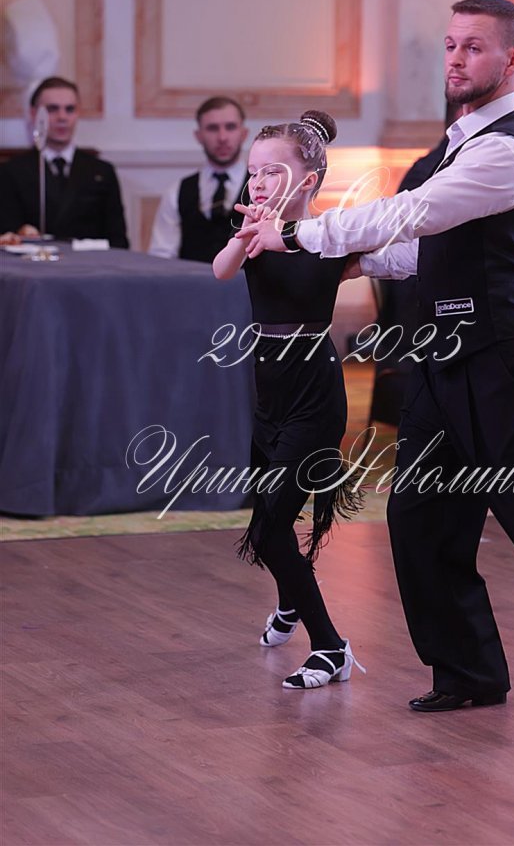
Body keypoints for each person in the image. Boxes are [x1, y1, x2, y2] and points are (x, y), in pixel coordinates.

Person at [235, 0, 514, 724]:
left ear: (512, 59)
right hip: (441, 361)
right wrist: (357, 262)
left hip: (503, 364)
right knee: (420, 519)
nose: (457, 60)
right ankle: (469, 670)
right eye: (450, 45)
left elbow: (412, 213)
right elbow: (421, 249)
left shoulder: (506, 151)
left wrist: (303, 236)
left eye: (474, 46)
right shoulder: (457, 143)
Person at [212, 110, 364, 691]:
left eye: (272, 172)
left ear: (308, 180)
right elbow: (221, 272)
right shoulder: (252, 231)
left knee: (270, 528)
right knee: (269, 516)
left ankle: (330, 647)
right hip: (267, 394)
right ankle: (290, 601)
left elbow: (387, 254)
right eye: (253, 172)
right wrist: (246, 235)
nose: (257, 182)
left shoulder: (330, 238)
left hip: (314, 397)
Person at [0, 77, 128, 247]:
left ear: (78, 113)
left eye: (70, 109)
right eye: (52, 109)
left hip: (91, 263)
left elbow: (118, 242)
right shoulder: (11, 172)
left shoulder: (102, 172)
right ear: (34, 113)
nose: (62, 117)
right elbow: (7, 235)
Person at [149, 96, 249, 261]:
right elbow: (162, 257)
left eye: (230, 127)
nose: (222, 137)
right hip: (189, 278)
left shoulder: (265, 188)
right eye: (212, 128)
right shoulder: (177, 191)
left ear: (244, 134)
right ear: (198, 136)